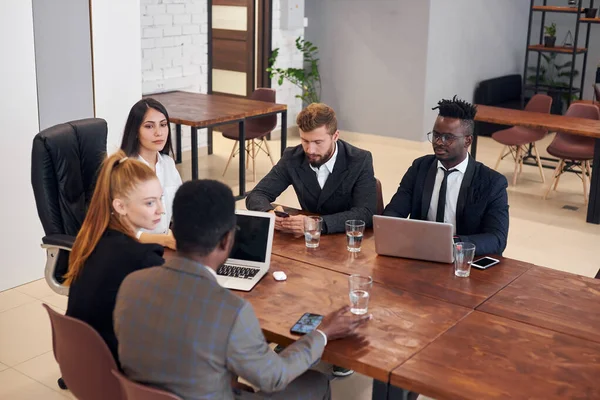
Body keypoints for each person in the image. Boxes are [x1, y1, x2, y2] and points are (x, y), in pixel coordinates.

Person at [114, 180, 371, 399]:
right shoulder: (232, 312)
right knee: (315, 382)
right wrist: (323, 332)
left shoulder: (130, 284)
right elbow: (274, 377)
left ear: (174, 231)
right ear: (228, 240)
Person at [64, 150, 165, 364]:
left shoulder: (91, 241)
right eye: (150, 203)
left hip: (81, 363)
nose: (161, 210)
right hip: (118, 369)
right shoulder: (143, 257)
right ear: (120, 206)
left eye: (160, 199)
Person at [383, 96, 509, 256]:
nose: (438, 142)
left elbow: (497, 239)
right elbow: (393, 213)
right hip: (419, 255)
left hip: (462, 260)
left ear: (467, 141)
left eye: (447, 138)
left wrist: (450, 244)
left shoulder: (492, 182)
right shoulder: (419, 168)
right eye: (436, 135)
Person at [246, 103, 377, 236]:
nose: (310, 150)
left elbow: (366, 212)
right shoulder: (292, 158)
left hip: (346, 238)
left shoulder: (360, 160)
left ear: (335, 136)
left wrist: (316, 224)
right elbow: (256, 195)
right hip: (307, 243)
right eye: (305, 141)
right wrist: (270, 214)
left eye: (318, 142)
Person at [120, 98, 182, 250]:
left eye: (163, 125)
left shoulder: (167, 163)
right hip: (134, 251)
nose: (158, 133)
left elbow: (182, 207)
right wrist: (164, 240)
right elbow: (121, 230)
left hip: (163, 246)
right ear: (135, 132)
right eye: (149, 126)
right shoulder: (125, 170)